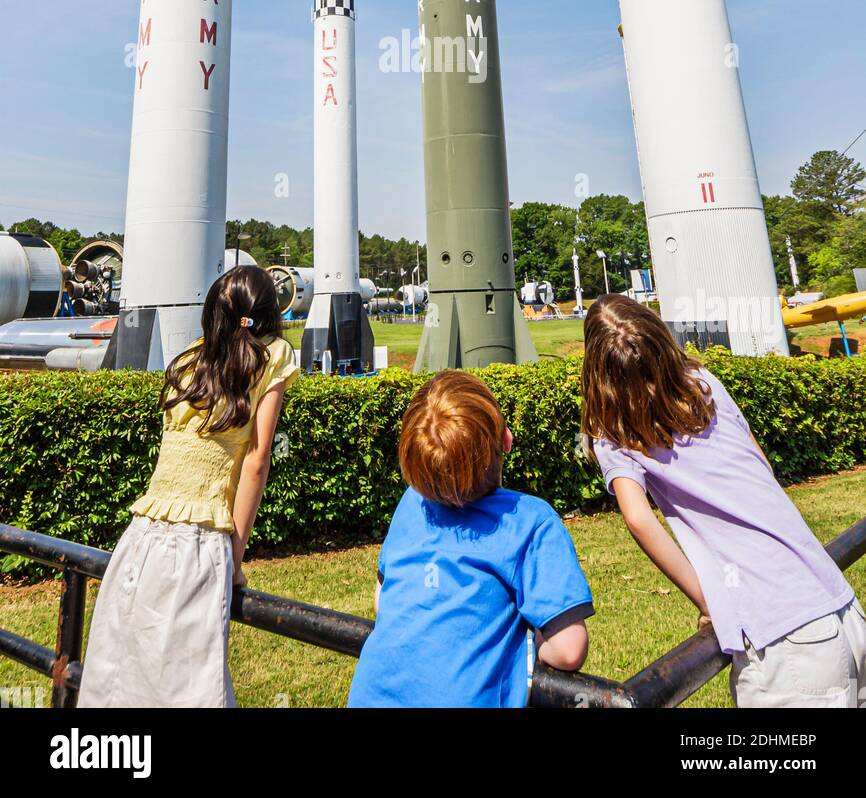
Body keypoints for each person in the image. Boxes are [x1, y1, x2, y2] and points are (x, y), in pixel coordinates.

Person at [582, 293, 866, 709]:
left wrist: (706, 597)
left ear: (598, 372)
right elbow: (761, 464)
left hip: (782, 642)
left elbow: (639, 519)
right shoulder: (703, 383)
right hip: (840, 609)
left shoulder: (615, 432)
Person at [78, 265, 297, 708]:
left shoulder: (188, 361)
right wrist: (236, 557)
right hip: (198, 542)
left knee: (121, 674)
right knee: (190, 686)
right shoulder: (272, 354)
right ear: (268, 313)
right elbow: (257, 460)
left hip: (141, 536)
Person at [348, 370, 593, 708]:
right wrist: (529, 650)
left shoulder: (411, 504)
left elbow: (383, 601)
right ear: (505, 441)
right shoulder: (531, 521)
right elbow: (568, 648)